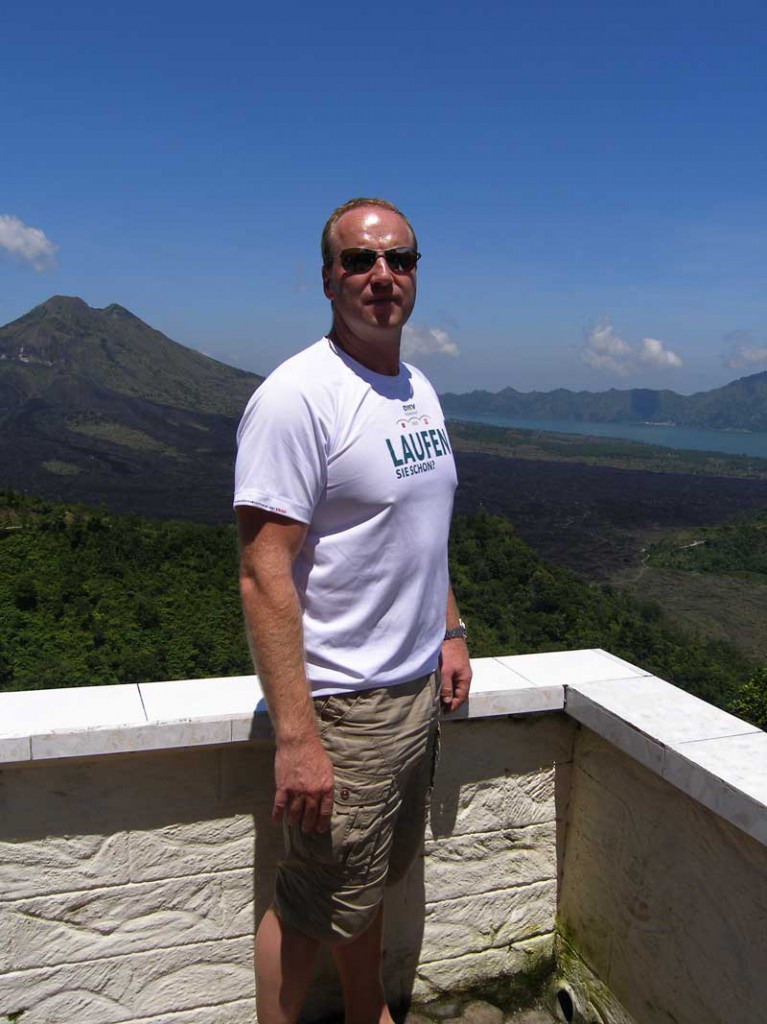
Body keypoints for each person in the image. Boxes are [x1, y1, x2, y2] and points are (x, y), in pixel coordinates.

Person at [234, 197, 472, 1024]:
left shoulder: (415, 387)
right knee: (309, 906)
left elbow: (421, 531)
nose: (381, 275)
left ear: (415, 274)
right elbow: (262, 573)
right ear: (327, 277)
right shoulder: (297, 397)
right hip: (342, 705)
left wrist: (449, 628)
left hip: (411, 692)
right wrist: (298, 737)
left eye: (398, 259)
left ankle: (368, 1011)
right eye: (359, 260)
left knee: (362, 886)